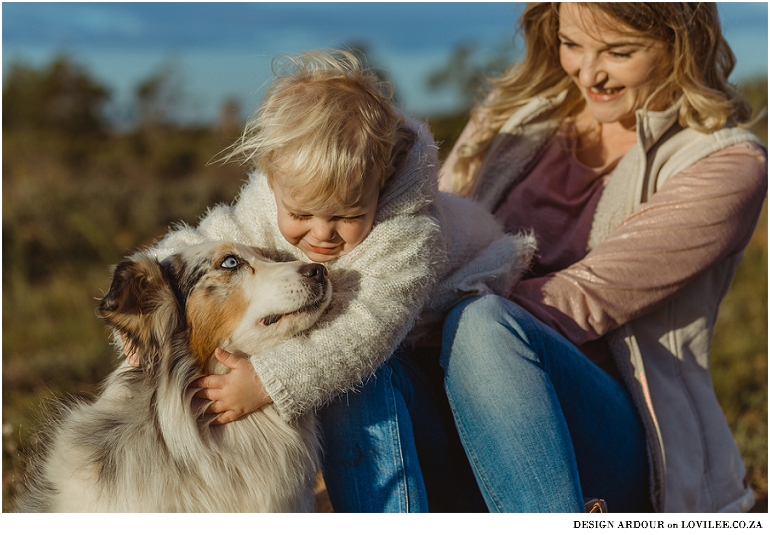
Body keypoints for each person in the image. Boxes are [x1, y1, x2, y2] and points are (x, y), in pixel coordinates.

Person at [136, 49, 534, 511]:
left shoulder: (408, 232)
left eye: (346, 216)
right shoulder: (273, 199)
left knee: (354, 377)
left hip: (453, 353)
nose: (321, 234)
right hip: (409, 365)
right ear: (273, 182)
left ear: (381, 186)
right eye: (301, 214)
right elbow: (212, 238)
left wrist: (269, 382)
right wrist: (147, 297)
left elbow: (363, 332)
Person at [437, 2, 767, 512]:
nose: (588, 72)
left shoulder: (726, 163)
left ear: (680, 43)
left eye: (618, 51)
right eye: (572, 43)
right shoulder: (504, 121)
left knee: (483, 322)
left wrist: (421, 309)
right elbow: (428, 240)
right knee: (377, 375)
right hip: (463, 392)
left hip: (624, 435)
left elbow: (577, 301)